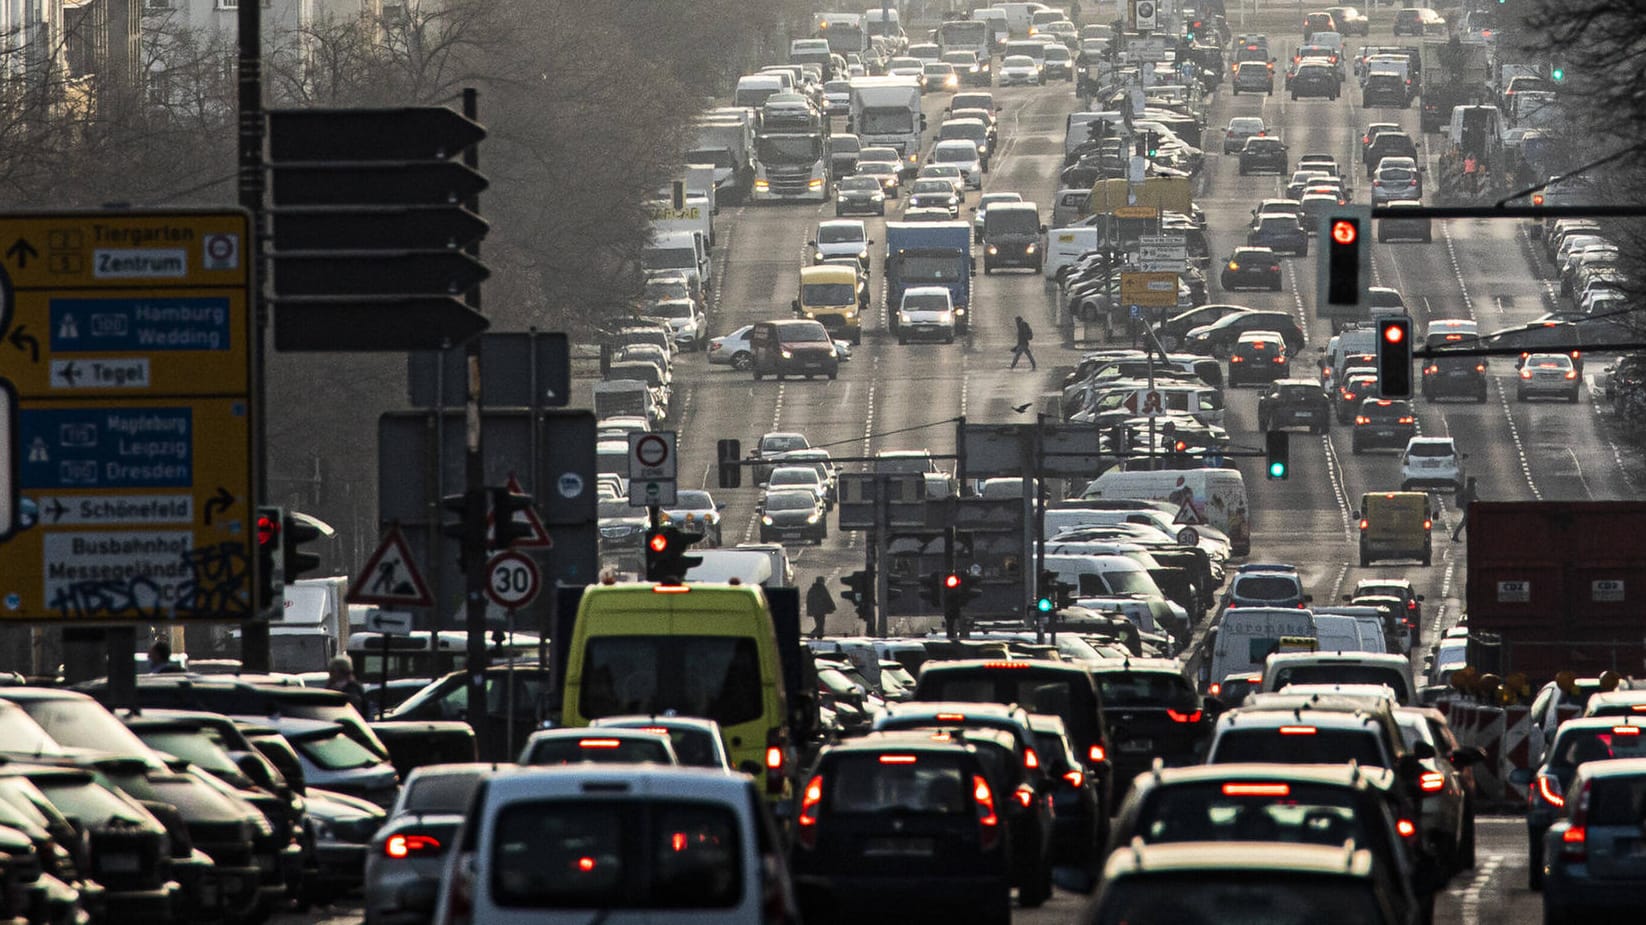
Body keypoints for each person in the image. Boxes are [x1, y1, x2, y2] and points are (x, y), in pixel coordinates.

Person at [806, 575, 837, 640]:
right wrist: (833, 607)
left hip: (814, 611)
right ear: (822, 581)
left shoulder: (812, 589)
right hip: (821, 611)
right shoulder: (822, 588)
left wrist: (809, 610)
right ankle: (812, 635)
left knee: (819, 623)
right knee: (820, 624)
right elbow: (827, 598)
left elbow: (808, 600)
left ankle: (819, 636)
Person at [1451, 476, 1478, 542]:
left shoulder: (1468, 489)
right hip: (1467, 508)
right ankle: (1455, 536)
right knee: (1464, 522)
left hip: (1466, 507)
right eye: (1475, 482)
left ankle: (1455, 536)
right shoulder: (1470, 489)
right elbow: (1474, 497)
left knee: (1465, 522)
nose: (1475, 484)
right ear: (1472, 482)